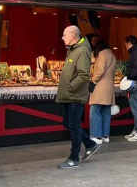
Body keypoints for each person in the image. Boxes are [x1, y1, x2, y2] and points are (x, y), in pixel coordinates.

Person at [56, 26, 100, 168]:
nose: (62, 37)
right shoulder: (73, 50)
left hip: (74, 95)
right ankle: (90, 144)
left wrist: (70, 87)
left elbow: (84, 74)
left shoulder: (82, 51)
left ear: (72, 35)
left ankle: (74, 158)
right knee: (67, 124)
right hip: (69, 95)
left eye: (64, 35)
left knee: (73, 126)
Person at [89, 40, 117, 144]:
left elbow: (99, 70)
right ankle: (105, 135)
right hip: (109, 87)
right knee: (106, 112)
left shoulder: (101, 54)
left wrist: (93, 80)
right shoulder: (112, 55)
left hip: (100, 87)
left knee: (95, 112)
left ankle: (96, 136)